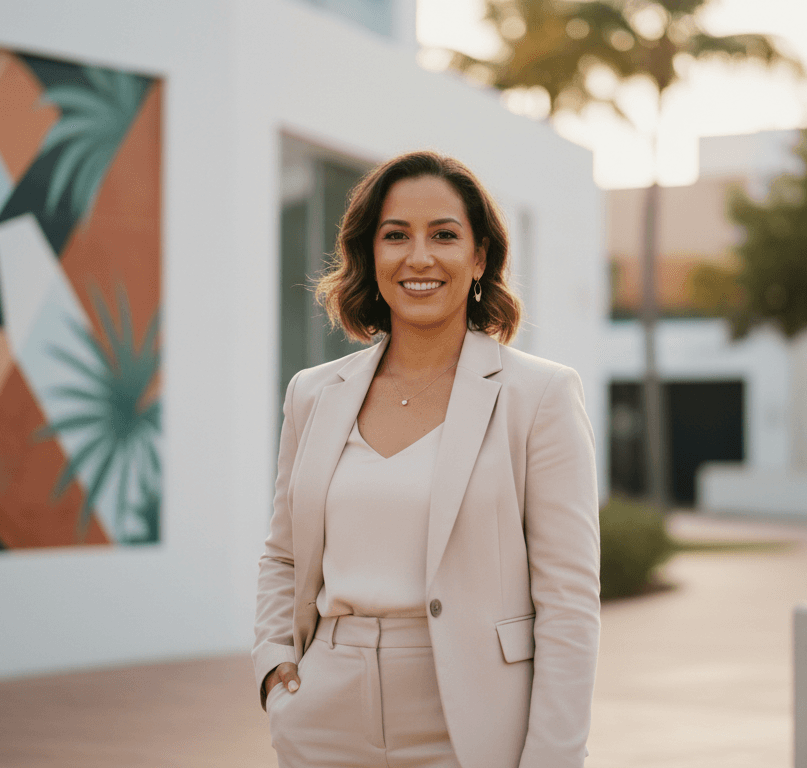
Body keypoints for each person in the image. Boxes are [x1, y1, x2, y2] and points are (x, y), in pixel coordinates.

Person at [253, 150, 600, 768]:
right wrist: (275, 665)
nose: (419, 257)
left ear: (480, 258)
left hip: (471, 723)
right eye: (395, 236)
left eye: (444, 234)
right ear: (371, 256)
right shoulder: (313, 393)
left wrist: (552, 757)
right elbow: (283, 554)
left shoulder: (539, 396)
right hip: (323, 714)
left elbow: (569, 603)